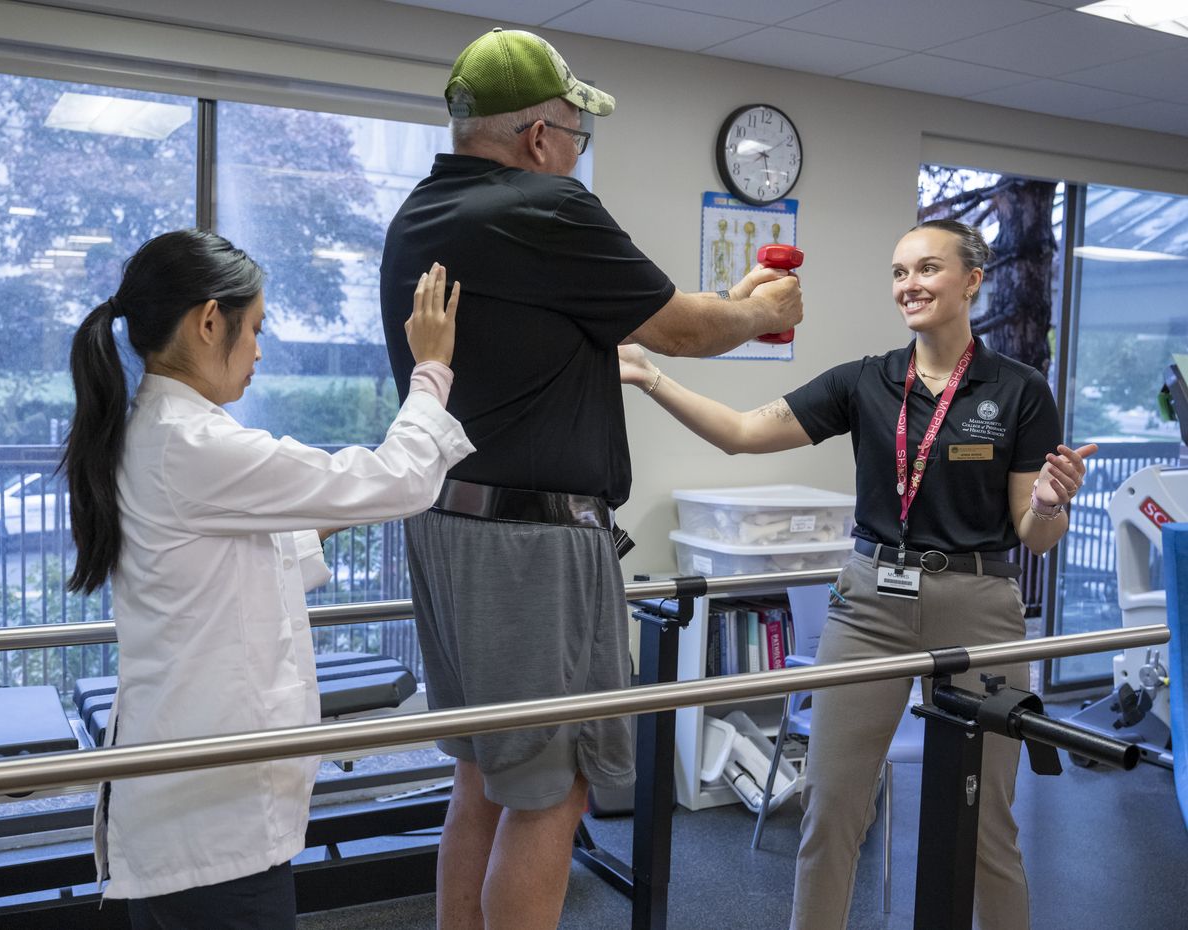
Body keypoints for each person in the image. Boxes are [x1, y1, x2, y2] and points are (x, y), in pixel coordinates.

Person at [378, 26, 803, 930]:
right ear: (539, 136)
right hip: (529, 545)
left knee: (484, 776)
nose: (577, 152)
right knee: (550, 794)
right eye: (577, 133)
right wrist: (757, 310)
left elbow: (520, 353)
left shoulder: (422, 215)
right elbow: (680, 328)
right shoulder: (546, 208)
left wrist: (706, 314)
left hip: (447, 519)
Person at [619, 218, 1096, 930]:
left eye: (928, 269)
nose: (910, 285)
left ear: (971, 281)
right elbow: (745, 433)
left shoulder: (1020, 391)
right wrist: (653, 376)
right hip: (870, 600)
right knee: (832, 805)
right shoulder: (866, 382)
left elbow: (1036, 533)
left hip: (980, 602)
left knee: (987, 821)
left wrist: (1053, 503)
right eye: (900, 272)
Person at [62, 229, 473, 930]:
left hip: (188, 801)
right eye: (253, 328)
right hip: (214, 823)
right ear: (209, 321)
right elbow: (397, 480)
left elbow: (261, 542)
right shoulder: (197, 444)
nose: (259, 348)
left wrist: (332, 501)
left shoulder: (157, 433)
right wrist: (430, 371)